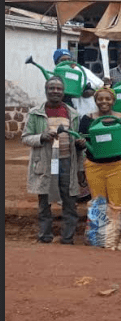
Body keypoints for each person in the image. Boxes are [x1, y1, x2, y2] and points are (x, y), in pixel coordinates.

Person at [22, 76, 87, 244]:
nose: (55, 91)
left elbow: (78, 140)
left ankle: (67, 238)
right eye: (52, 88)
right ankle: (45, 236)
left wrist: (80, 147)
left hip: (67, 162)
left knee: (69, 201)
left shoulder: (72, 114)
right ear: (46, 90)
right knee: (45, 201)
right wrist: (41, 137)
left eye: (59, 88)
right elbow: (26, 137)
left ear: (64, 92)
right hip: (45, 163)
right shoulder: (36, 113)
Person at [79, 86, 121, 249]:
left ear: (113, 101)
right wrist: (80, 143)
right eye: (100, 99)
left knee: (117, 203)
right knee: (98, 203)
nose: (104, 102)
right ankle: (99, 238)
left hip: (116, 165)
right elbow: (81, 138)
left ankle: (117, 240)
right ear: (95, 101)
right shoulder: (87, 119)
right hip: (94, 166)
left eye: (107, 99)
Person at [53, 48, 103, 118]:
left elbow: (99, 84)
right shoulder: (56, 76)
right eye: (63, 60)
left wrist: (91, 91)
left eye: (68, 59)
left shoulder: (80, 70)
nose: (67, 62)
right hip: (68, 110)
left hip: (88, 110)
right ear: (56, 63)